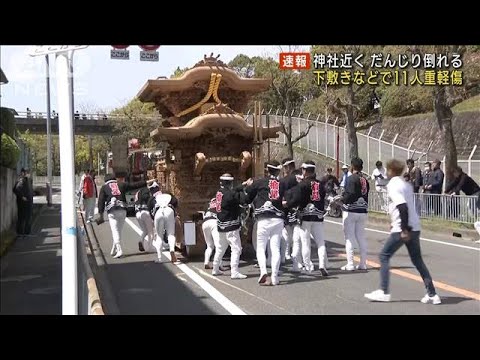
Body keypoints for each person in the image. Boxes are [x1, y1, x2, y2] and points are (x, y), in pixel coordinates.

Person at [365, 159, 441, 304]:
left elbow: (402, 207)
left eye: (387, 170)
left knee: (384, 255)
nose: (386, 172)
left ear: (391, 171)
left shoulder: (393, 184)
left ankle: (383, 291)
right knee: (417, 260)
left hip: (403, 227)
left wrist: (404, 229)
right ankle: (432, 294)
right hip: (415, 226)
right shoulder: (406, 184)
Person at [244, 160, 286, 286]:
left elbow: (247, 198)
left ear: (267, 169)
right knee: (275, 248)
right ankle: (275, 277)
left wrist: (248, 187)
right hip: (278, 219)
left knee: (261, 248)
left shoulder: (260, 182)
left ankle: (263, 272)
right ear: (278, 170)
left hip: (263, 219)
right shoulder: (282, 184)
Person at [284, 161, 329, 276]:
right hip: (318, 216)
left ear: (304, 170)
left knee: (305, 242)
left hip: (305, 216)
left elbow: (297, 199)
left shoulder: (303, 184)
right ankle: (322, 265)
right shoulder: (320, 184)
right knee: (320, 242)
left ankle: (308, 266)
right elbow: (323, 197)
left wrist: (287, 204)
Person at [96, 173, 151, 259]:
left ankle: (119, 250)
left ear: (106, 180)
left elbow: (101, 202)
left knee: (115, 231)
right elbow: (134, 185)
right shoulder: (121, 184)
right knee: (119, 231)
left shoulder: (104, 187)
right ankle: (114, 249)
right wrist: (147, 182)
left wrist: (101, 215)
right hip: (123, 210)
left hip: (112, 210)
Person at [213, 174, 249, 279]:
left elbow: (232, 192)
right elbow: (243, 200)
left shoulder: (219, 192)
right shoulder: (230, 194)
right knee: (236, 248)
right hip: (230, 225)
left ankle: (215, 268)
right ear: (230, 183)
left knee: (220, 248)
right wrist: (243, 189)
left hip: (221, 224)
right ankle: (234, 272)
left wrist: (242, 185)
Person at [341, 157, 370, 271]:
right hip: (362, 210)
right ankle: (363, 263)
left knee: (349, 237)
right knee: (361, 237)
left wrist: (342, 200)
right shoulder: (365, 180)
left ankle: (350, 263)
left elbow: (350, 195)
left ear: (352, 166)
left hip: (352, 210)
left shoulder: (351, 178)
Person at [280, 158, 303, 267]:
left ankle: (286, 255)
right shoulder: (303, 177)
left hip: (288, 207)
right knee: (298, 237)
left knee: (286, 234)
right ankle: (298, 260)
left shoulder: (287, 179)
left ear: (288, 167)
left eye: (285, 167)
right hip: (301, 209)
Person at [149, 190, 180, 264]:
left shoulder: (153, 197)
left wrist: (153, 219)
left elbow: (149, 208)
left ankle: (159, 258)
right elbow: (176, 203)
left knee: (159, 236)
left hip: (158, 211)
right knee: (171, 234)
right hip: (169, 210)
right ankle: (172, 250)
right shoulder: (169, 195)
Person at [134, 181, 159, 253]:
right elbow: (145, 197)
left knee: (144, 230)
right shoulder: (145, 190)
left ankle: (140, 241)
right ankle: (150, 247)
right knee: (150, 231)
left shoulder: (137, 192)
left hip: (137, 213)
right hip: (145, 212)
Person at [13, 168, 33, 237]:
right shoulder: (22, 180)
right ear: (24, 173)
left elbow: (28, 190)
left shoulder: (28, 180)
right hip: (24, 203)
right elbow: (16, 189)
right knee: (22, 217)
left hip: (28, 201)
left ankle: (25, 232)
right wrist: (22, 197)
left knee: (27, 217)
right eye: (27, 172)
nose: (29, 174)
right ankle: (21, 232)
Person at [202, 197, 220, 269]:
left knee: (209, 245)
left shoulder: (207, 207)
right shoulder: (219, 206)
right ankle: (218, 265)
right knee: (218, 246)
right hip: (214, 222)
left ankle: (206, 262)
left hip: (205, 223)